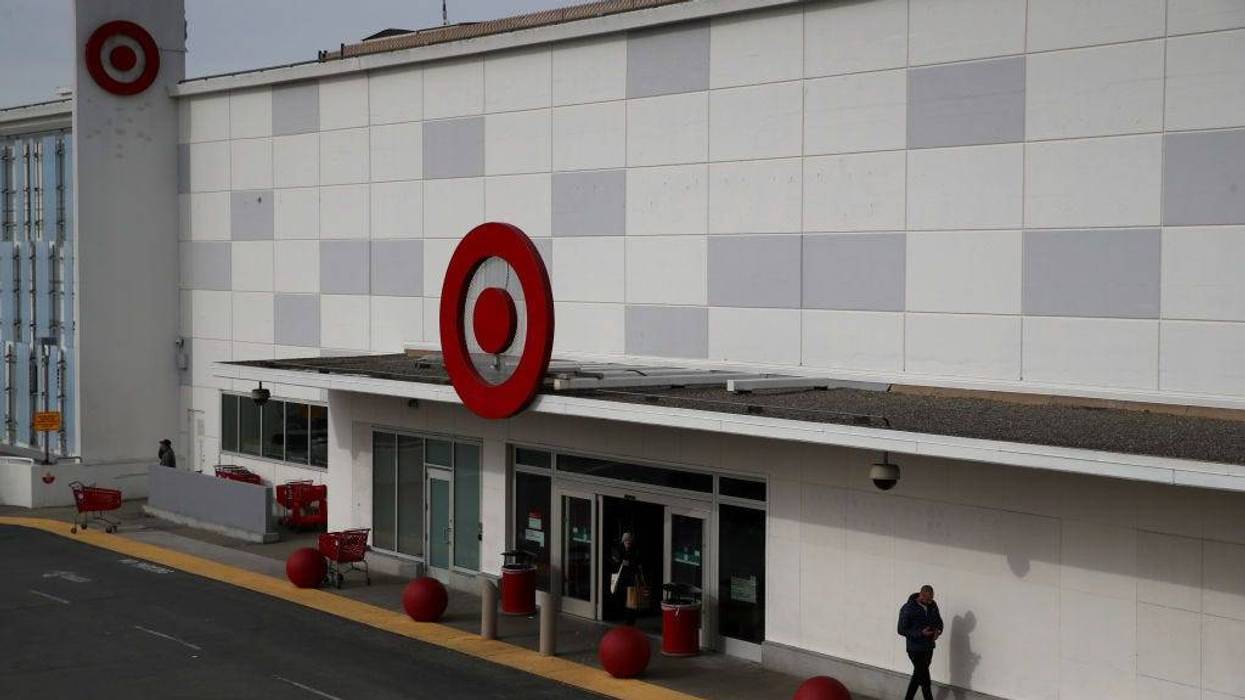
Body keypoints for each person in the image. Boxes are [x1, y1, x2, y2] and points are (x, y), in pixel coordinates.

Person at [897, 584, 943, 700]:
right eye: (928, 599)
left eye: (932, 599)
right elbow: (901, 630)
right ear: (921, 595)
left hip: (928, 647)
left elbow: (939, 621)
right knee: (925, 681)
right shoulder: (908, 608)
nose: (930, 601)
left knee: (918, 676)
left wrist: (938, 631)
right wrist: (920, 633)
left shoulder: (933, 605)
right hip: (915, 649)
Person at [609, 532, 642, 625]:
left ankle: (630, 620)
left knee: (631, 600)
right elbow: (615, 561)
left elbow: (636, 563)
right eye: (626, 540)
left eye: (629, 540)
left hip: (630, 579)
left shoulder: (634, 550)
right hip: (621, 579)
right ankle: (621, 616)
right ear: (623, 541)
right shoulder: (619, 550)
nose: (628, 542)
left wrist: (628, 563)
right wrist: (622, 562)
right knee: (621, 597)